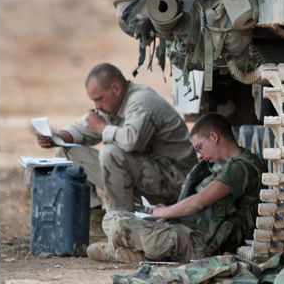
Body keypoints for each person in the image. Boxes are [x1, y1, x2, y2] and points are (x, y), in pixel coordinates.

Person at [33, 63, 197, 244]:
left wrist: (101, 128)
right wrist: (56, 137)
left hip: (174, 185)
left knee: (110, 152)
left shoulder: (140, 101)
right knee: (68, 150)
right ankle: (95, 220)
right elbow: (82, 127)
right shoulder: (112, 104)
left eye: (99, 99)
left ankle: (122, 226)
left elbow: (131, 140)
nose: (97, 106)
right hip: (149, 178)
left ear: (116, 89)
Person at [86, 113, 265, 264]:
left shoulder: (241, 168)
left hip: (200, 244)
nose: (200, 155)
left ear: (214, 137)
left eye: (200, 148)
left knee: (121, 225)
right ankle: (133, 252)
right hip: (187, 231)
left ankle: (119, 251)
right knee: (112, 218)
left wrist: (165, 213)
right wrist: (164, 210)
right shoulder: (220, 166)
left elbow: (200, 203)